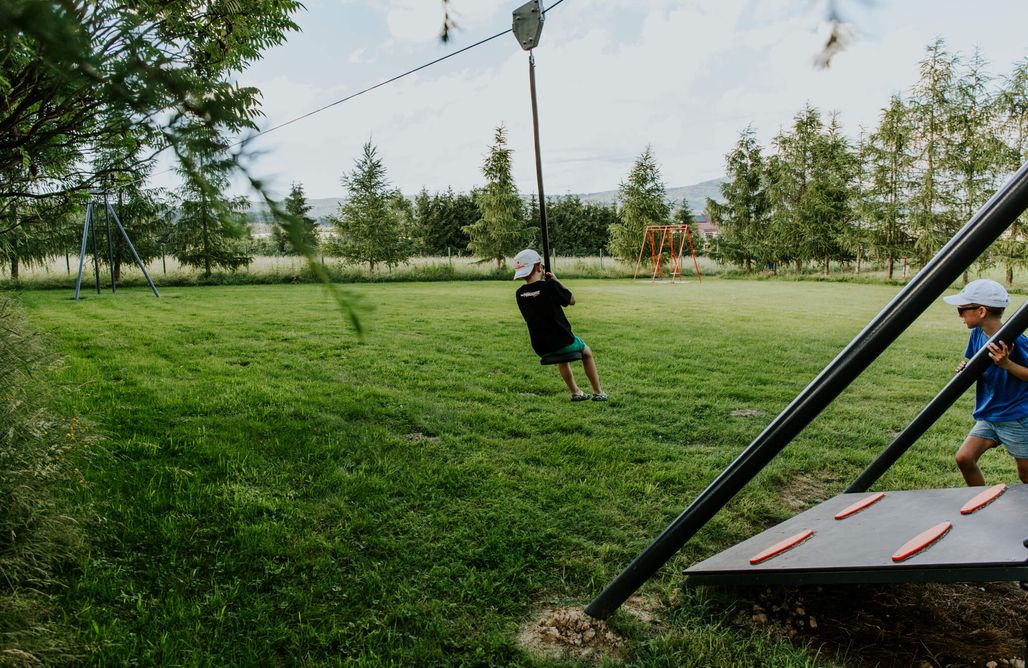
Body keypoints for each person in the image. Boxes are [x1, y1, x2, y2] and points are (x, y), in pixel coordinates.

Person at [943, 279, 1028, 485]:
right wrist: (966, 368)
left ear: (981, 311)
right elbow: (973, 362)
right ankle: (981, 500)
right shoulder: (977, 335)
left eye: (962, 310)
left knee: (1026, 475)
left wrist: (1007, 364)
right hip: (989, 413)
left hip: (1015, 415)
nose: (959, 315)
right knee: (964, 458)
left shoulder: (1016, 341)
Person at [513, 248, 607, 402]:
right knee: (587, 352)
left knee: (561, 358)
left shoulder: (519, 293)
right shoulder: (550, 286)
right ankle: (598, 392)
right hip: (564, 341)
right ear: (538, 267)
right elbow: (572, 300)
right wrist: (556, 281)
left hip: (541, 347)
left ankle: (576, 392)